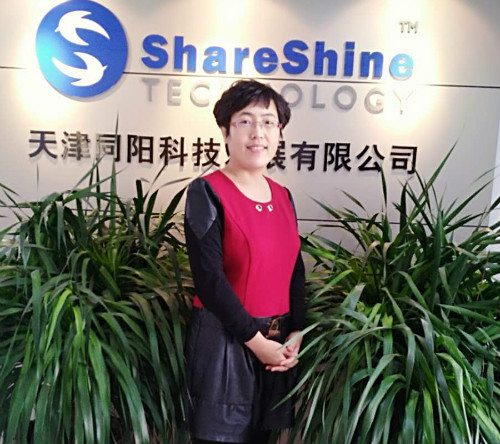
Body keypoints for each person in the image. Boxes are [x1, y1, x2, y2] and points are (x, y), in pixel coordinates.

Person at [182, 79, 306, 444]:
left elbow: (294, 268)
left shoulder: (283, 195)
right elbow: (209, 281)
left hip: (276, 345)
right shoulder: (207, 191)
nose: (258, 133)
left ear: (279, 132)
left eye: (268, 122)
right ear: (225, 131)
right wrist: (258, 343)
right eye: (245, 121)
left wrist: (297, 333)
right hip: (224, 346)